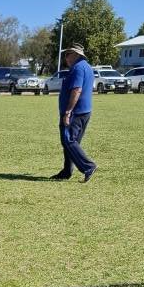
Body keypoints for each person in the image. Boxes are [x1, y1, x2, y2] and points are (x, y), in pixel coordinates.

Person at [51, 43, 97, 183]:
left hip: (75, 112)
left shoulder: (78, 68)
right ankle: (66, 171)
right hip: (85, 111)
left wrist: (68, 112)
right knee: (72, 142)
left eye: (68, 54)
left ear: (76, 54)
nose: (66, 57)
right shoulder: (87, 67)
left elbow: (77, 90)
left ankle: (88, 166)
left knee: (68, 140)